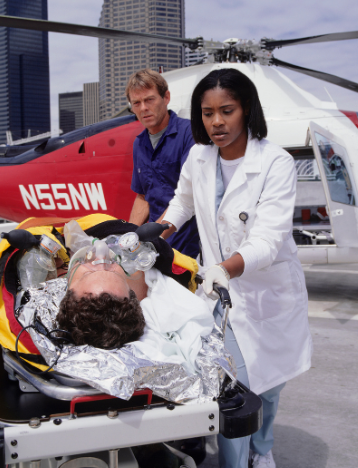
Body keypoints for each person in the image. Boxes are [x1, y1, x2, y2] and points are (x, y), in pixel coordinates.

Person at [161, 68, 313, 468]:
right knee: (234, 387)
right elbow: (183, 202)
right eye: (207, 112)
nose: (216, 122)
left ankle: (261, 452)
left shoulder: (275, 163)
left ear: (246, 109)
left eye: (226, 110)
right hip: (224, 296)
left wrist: (225, 268)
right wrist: (158, 230)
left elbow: (268, 238)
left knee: (270, 387)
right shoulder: (199, 156)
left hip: (269, 292)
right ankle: (236, 462)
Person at [127, 69, 201, 258]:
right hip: (154, 246)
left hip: (187, 244)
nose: (143, 108)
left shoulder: (189, 134)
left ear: (166, 97)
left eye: (149, 99)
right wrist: (128, 239)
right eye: (137, 103)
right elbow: (143, 197)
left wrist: (151, 238)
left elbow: (189, 197)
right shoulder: (139, 143)